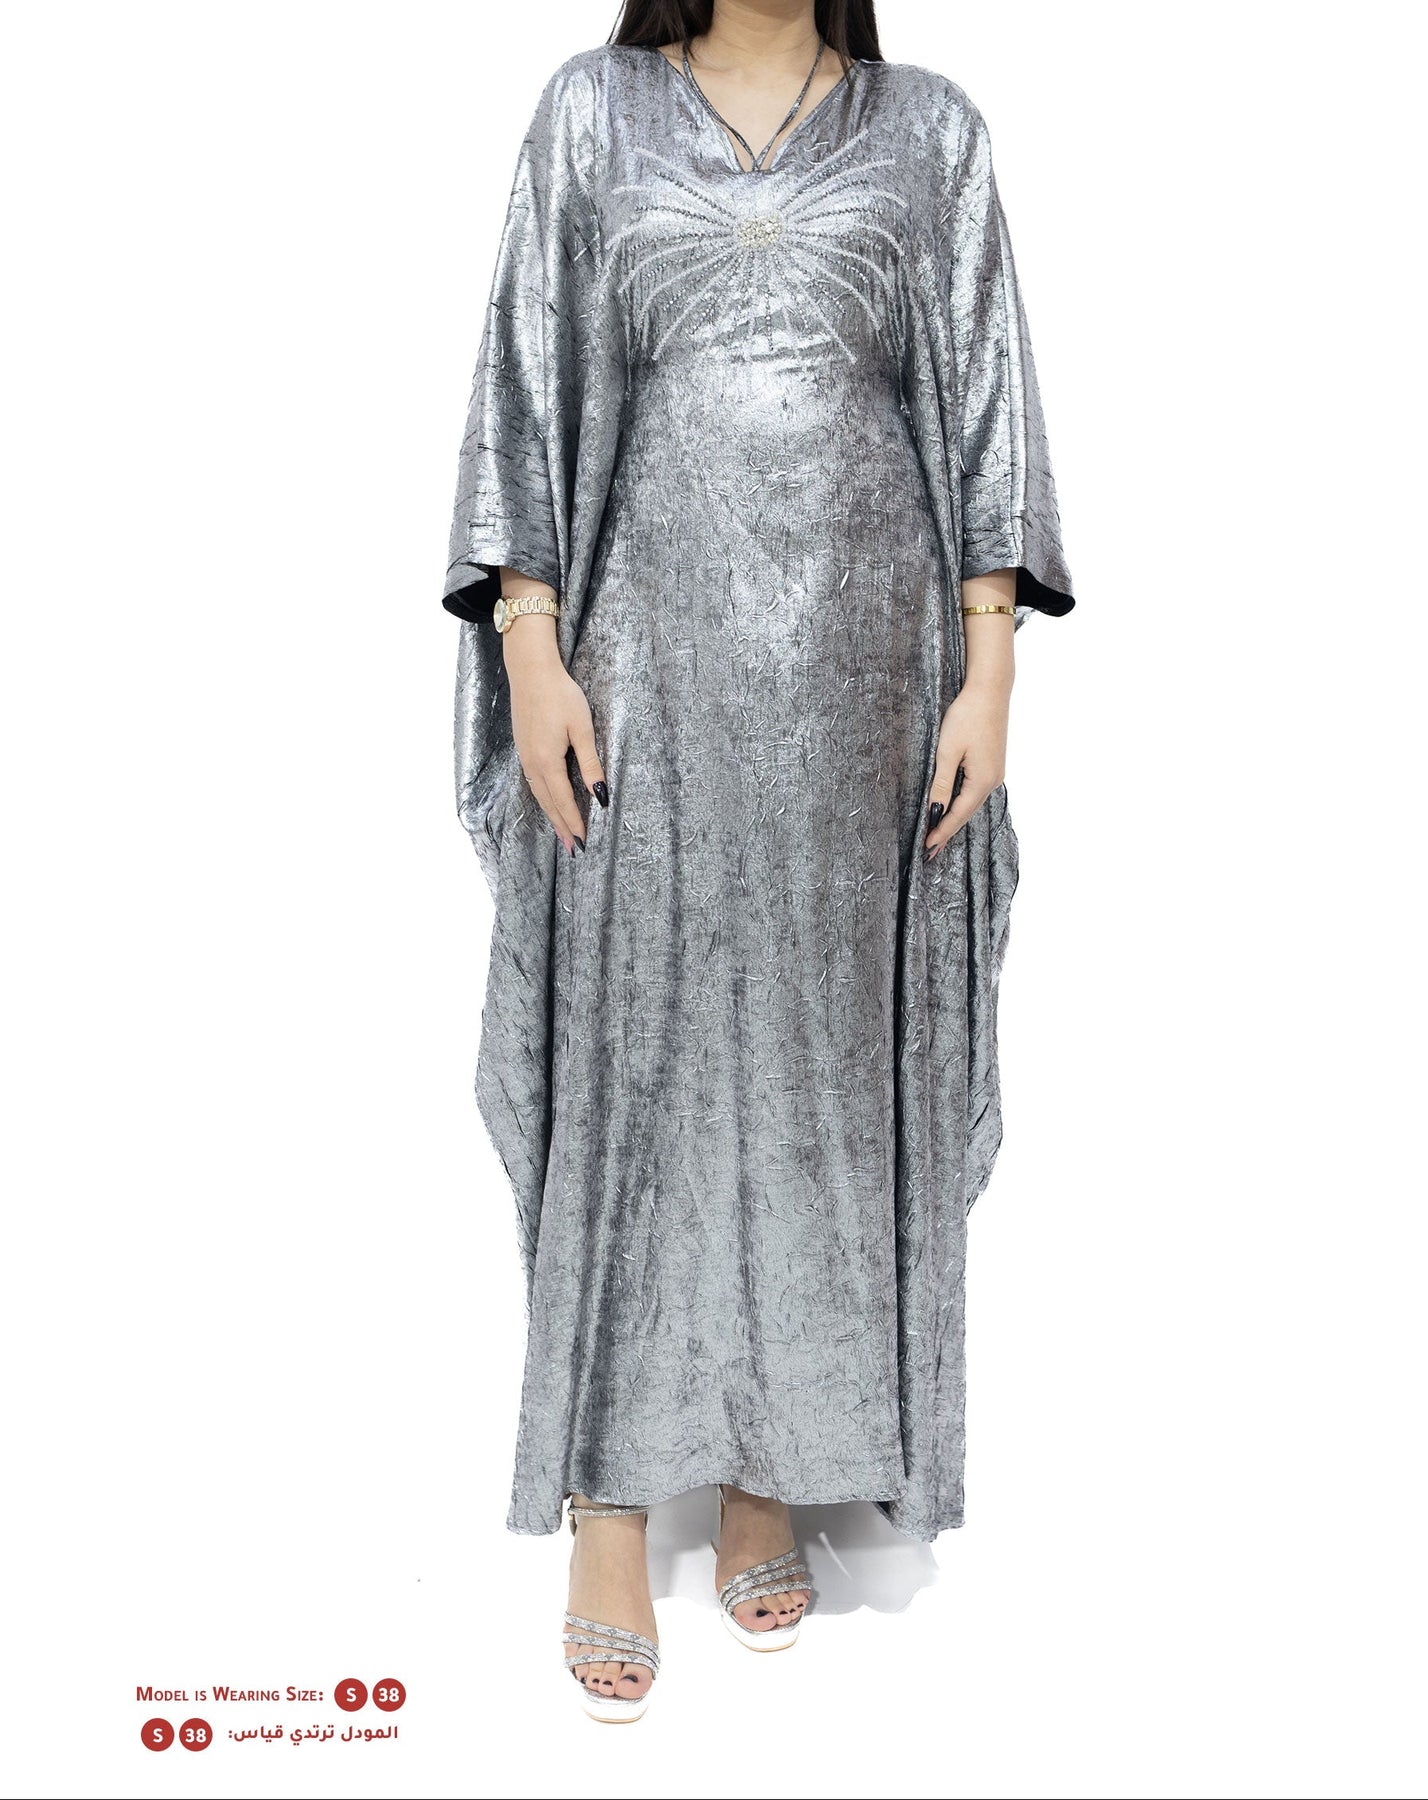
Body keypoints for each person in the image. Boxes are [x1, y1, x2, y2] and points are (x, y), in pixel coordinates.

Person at [439, 0, 1074, 1722]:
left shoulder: (933, 129)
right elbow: (523, 375)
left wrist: (989, 674)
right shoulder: (592, 111)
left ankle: (770, 1455)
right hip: (646, 656)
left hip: (868, 677)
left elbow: (988, 397)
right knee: (638, 1048)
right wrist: (532, 649)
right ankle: (606, 1497)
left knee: (814, 1056)